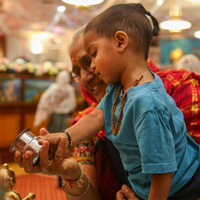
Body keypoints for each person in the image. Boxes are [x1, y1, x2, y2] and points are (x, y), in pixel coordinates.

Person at [14, 5, 200, 200]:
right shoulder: (118, 90)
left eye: (92, 56)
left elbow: (162, 169)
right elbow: (96, 116)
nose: (90, 70)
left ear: (120, 42)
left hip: (179, 188)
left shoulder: (148, 104)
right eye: (77, 72)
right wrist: (64, 138)